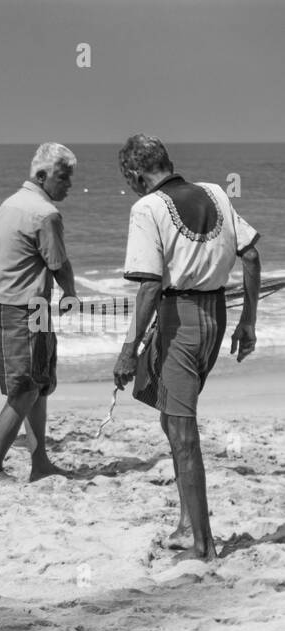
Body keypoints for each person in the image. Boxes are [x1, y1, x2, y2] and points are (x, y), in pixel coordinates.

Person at [111, 134, 261, 561]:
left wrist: (128, 349)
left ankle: (203, 545)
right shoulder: (215, 192)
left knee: (182, 433)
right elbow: (250, 257)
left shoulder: (147, 208)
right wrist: (248, 322)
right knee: (171, 416)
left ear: (136, 176)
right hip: (216, 316)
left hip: (180, 321)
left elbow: (150, 286)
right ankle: (185, 524)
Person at [0, 143, 78, 486]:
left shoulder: (7, 205)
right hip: (22, 309)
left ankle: (40, 463)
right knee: (24, 390)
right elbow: (58, 262)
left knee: (38, 386)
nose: (68, 184)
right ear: (42, 175)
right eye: (63, 177)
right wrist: (71, 293)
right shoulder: (43, 213)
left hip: (10, 305)